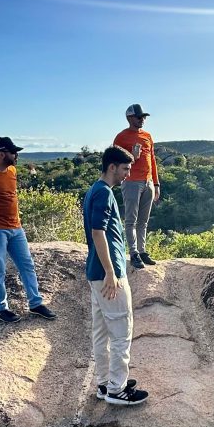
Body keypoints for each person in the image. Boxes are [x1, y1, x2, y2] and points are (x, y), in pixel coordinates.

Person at [83, 145, 149, 407]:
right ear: (112, 167)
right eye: (125, 169)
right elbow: (98, 232)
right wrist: (112, 272)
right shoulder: (104, 193)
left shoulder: (93, 190)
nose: (127, 174)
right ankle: (117, 389)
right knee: (121, 333)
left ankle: (104, 383)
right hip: (107, 274)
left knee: (101, 332)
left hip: (95, 272)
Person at [0, 137, 57, 324]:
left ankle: (35, 303)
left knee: (27, 265)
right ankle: (0, 308)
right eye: (14, 152)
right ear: (1, 154)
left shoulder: (12, 171)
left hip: (15, 227)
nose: (17, 156)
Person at [113, 104, 160, 270]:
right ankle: (133, 253)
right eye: (139, 117)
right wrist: (132, 157)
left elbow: (152, 160)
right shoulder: (121, 137)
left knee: (143, 221)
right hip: (131, 181)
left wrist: (156, 183)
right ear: (130, 118)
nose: (142, 120)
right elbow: (115, 162)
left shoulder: (147, 136)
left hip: (148, 182)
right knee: (131, 220)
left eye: (144, 117)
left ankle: (142, 251)